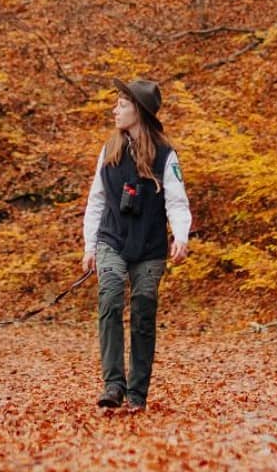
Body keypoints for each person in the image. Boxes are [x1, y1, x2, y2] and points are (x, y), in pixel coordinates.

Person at [82, 77, 191, 412]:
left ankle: (137, 394)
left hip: (150, 246)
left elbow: (176, 201)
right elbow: (96, 200)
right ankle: (113, 385)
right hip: (111, 240)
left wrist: (181, 235)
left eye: (122, 105)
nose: (115, 110)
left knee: (144, 309)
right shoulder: (109, 150)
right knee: (111, 298)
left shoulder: (166, 155)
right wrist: (90, 245)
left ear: (139, 112)